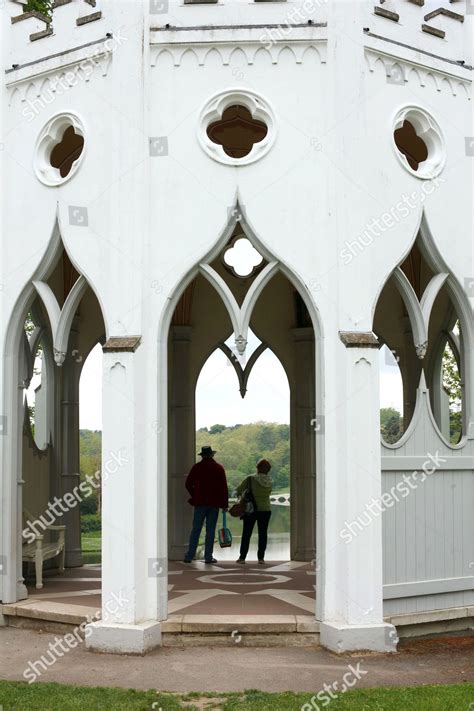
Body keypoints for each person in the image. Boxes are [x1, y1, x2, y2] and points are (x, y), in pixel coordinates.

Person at [183, 446, 228, 564]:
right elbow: (223, 488)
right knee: (210, 530)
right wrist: (224, 504)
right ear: (212, 455)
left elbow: (188, 484)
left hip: (200, 503)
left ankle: (189, 556)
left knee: (196, 529)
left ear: (202, 455)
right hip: (214, 504)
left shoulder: (196, 468)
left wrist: (195, 495)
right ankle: (208, 557)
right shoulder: (219, 468)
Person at [235, 459, 272, 564]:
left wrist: (242, 497)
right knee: (263, 533)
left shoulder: (250, 479)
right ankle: (261, 558)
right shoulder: (269, 481)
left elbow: (238, 490)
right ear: (268, 470)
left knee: (247, 533)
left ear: (258, 468)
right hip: (266, 510)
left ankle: (242, 557)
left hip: (251, 509)